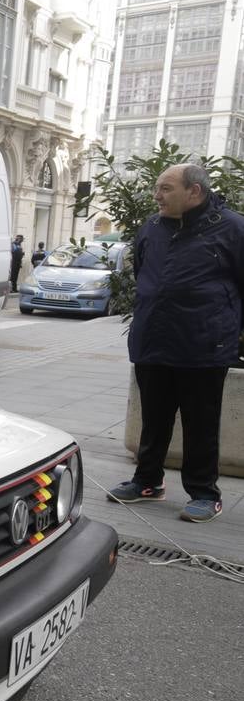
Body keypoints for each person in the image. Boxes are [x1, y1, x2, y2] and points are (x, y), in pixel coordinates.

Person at [107, 163, 244, 522]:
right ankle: (147, 482)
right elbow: (143, 274)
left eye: (166, 188)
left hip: (204, 342)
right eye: (157, 188)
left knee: (200, 422)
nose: (157, 196)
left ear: (194, 192)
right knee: (154, 418)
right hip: (154, 337)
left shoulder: (233, 228)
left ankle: (204, 493)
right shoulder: (152, 227)